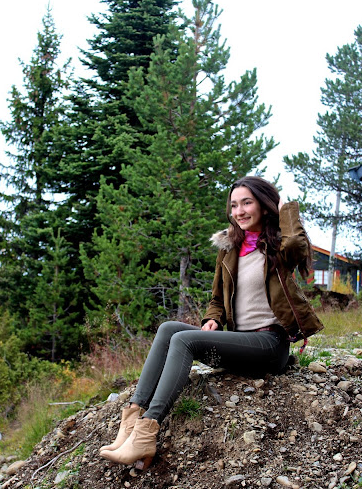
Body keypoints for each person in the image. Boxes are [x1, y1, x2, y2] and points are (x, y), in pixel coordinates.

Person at [100, 176, 323, 468]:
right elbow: (217, 298)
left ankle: (147, 432)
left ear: (264, 205)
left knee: (184, 340)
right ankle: (130, 422)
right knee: (169, 329)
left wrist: (285, 207)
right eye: (234, 205)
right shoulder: (230, 249)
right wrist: (213, 319)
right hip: (241, 342)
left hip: (269, 345)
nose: (239, 211)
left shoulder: (278, 247)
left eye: (247, 203)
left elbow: (296, 242)